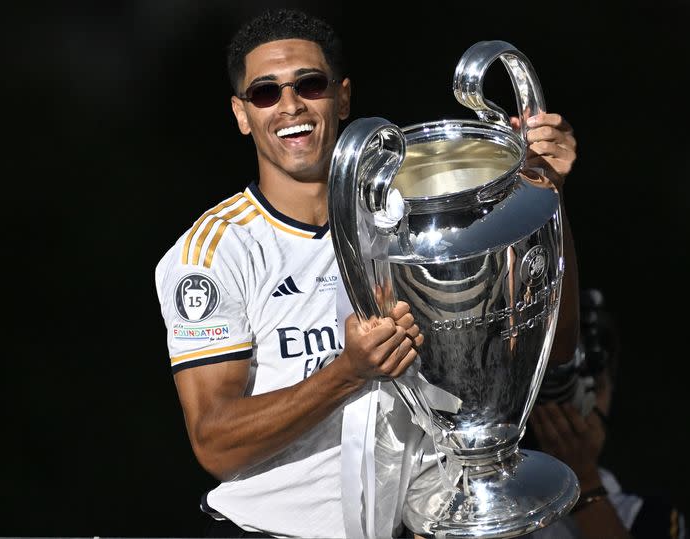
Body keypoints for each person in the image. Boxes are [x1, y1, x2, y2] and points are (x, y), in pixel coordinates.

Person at [154, 8, 580, 538]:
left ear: (344, 96)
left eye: (310, 84)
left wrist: (544, 199)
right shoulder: (214, 251)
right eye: (266, 92)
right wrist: (347, 373)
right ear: (242, 114)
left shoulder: (413, 220)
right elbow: (214, 442)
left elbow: (550, 347)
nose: (290, 105)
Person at [526, 289, 689, 539]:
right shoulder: (463, 495)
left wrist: (585, 481)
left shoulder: (644, 517)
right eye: (550, 381)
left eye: (591, 383)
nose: (567, 400)